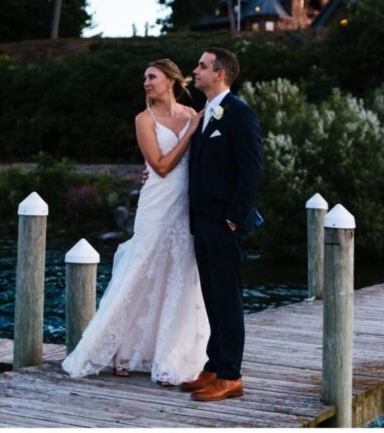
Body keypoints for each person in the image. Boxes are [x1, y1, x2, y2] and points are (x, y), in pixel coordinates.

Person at [61, 59, 209, 386]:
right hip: (157, 203)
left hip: (185, 206)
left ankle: (169, 353)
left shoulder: (191, 114)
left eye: (152, 77)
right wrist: (190, 133)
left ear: (170, 80)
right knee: (141, 269)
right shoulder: (145, 119)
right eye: (144, 78)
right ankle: (122, 351)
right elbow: (159, 165)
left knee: (180, 274)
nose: (146, 82)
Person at [178, 48, 264, 402]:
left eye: (202, 66)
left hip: (224, 223)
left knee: (228, 299)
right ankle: (214, 366)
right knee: (212, 297)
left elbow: (252, 169)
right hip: (203, 222)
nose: (195, 71)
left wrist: (232, 218)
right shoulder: (206, 115)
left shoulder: (239, 114)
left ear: (221, 73)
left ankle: (231, 376)